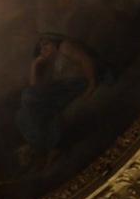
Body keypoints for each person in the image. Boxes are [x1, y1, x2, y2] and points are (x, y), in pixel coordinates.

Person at [16, 35, 98, 167]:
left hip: (75, 84)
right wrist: (34, 65)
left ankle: (45, 146)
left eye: (46, 44)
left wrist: (92, 83)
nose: (43, 49)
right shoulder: (50, 62)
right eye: (41, 48)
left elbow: (85, 60)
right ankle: (52, 147)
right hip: (61, 92)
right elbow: (35, 87)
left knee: (27, 95)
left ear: (55, 42)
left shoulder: (65, 47)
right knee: (21, 116)